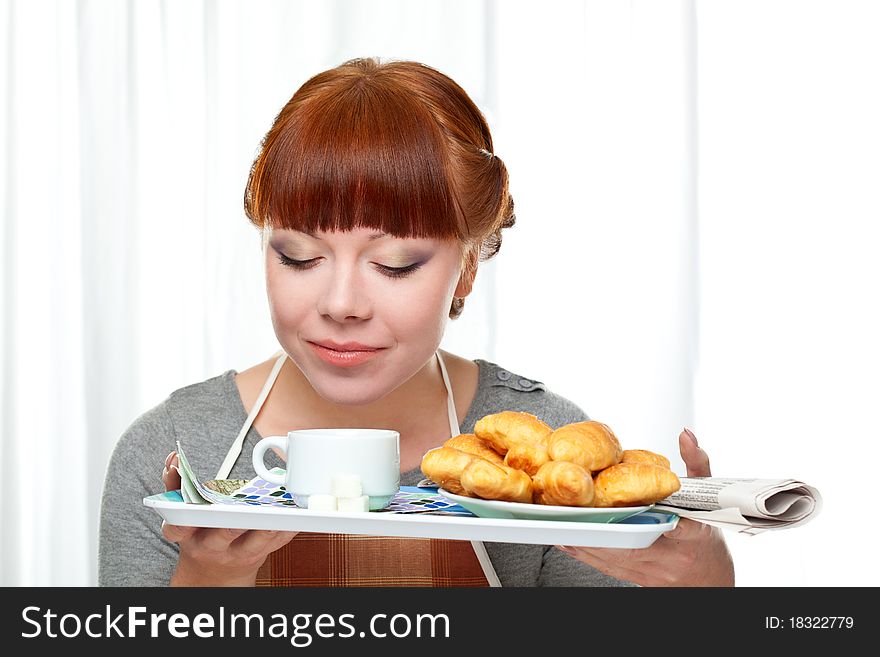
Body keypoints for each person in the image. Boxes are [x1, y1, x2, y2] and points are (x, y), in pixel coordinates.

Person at [98, 57, 734, 587]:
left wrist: (705, 595)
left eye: (394, 264)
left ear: (465, 270)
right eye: (298, 255)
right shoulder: (176, 454)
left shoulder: (546, 458)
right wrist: (208, 577)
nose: (342, 302)